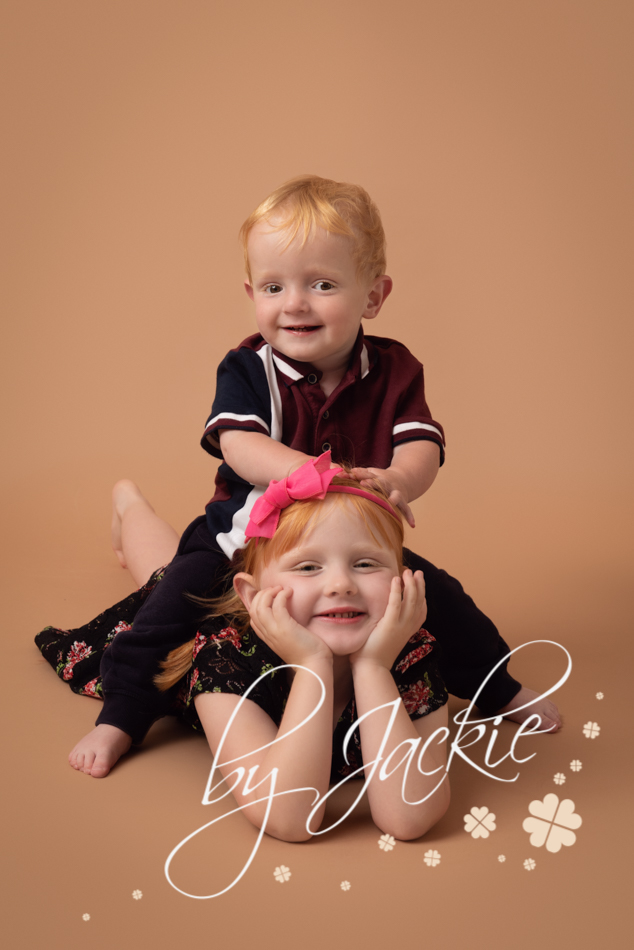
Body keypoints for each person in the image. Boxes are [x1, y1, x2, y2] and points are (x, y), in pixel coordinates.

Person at [60, 175, 560, 779]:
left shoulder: (396, 369)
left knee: (442, 598)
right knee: (167, 602)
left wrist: (400, 479)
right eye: (274, 287)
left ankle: (497, 689)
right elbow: (240, 444)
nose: (294, 303)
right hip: (244, 537)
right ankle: (121, 712)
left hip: (345, 546)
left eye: (322, 285)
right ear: (252, 293)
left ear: (373, 296)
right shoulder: (248, 367)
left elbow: (422, 440)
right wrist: (312, 473)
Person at [37, 457, 450, 841]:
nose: (341, 584)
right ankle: (130, 504)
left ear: (405, 579)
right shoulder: (224, 656)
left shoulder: (411, 653)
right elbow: (289, 817)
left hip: (325, 631)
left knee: (163, 572)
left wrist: (374, 667)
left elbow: (409, 816)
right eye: (308, 566)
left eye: (366, 564)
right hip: (201, 632)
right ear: (253, 596)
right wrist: (312, 665)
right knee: (163, 580)